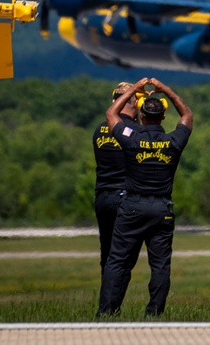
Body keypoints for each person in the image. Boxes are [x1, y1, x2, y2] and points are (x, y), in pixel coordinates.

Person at [96, 77, 193, 318]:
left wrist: (135, 90)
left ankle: (107, 311)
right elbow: (187, 116)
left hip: (132, 207)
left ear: (141, 113)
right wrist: (165, 89)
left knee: (116, 261)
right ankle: (154, 313)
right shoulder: (173, 141)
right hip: (162, 208)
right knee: (160, 265)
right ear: (163, 117)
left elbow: (111, 115)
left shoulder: (132, 138)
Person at [92, 82, 141, 279]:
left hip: (103, 196)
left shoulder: (99, 130)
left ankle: (106, 299)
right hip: (125, 197)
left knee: (107, 253)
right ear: (135, 102)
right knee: (124, 256)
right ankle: (114, 302)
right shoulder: (136, 131)